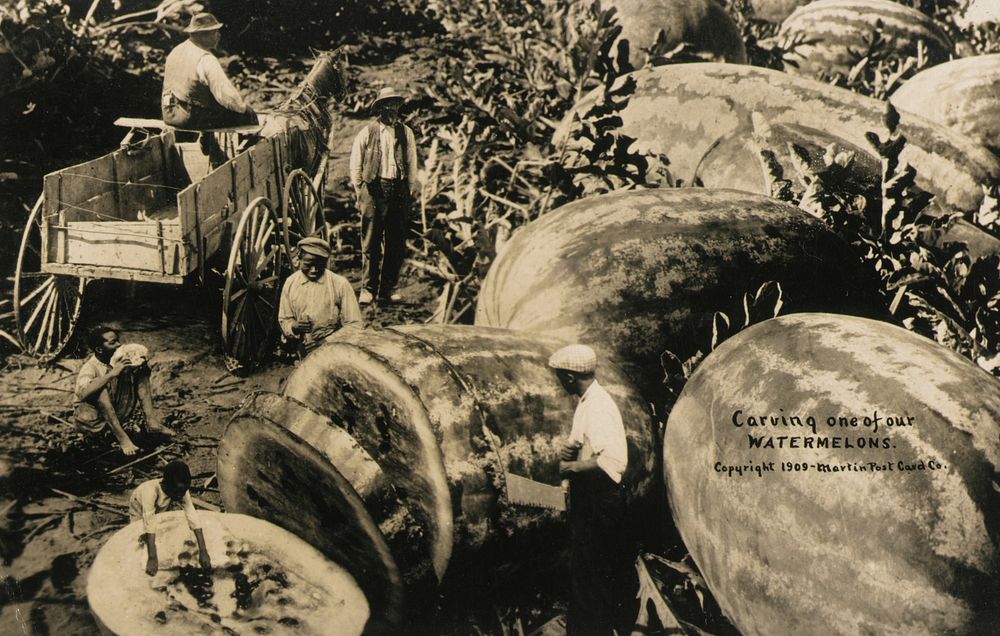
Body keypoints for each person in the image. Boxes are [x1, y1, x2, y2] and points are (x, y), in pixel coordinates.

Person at [549, 344, 632, 636]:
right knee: (587, 578)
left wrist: (570, 469)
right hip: (592, 501)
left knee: (590, 580)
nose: (558, 381)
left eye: (560, 376)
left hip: (601, 503)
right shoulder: (587, 403)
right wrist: (570, 448)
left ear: (570, 377)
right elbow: (586, 445)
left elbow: (612, 460)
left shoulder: (598, 406)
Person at [348, 86, 420, 305]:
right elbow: (355, 164)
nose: (391, 110)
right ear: (379, 109)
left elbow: (411, 163)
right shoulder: (367, 132)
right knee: (370, 241)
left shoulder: (406, 132)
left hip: (398, 190)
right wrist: (360, 189)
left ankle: (388, 289)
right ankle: (368, 289)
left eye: (394, 105)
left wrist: (408, 190)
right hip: (373, 190)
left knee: (396, 242)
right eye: (386, 105)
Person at [74, 326, 174, 457]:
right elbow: (83, 394)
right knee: (99, 390)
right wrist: (112, 374)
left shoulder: (117, 360)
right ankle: (122, 438)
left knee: (141, 371)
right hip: (93, 420)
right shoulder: (90, 367)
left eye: (117, 341)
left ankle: (152, 422)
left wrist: (139, 364)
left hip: (115, 412)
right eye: (112, 343)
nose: (119, 345)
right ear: (99, 349)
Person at [161, 13, 257, 131]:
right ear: (202, 35)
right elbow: (225, 95)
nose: (219, 35)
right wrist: (245, 109)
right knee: (247, 116)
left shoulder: (175, 51)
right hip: (191, 118)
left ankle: (209, 145)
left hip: (170, 114)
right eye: (215, 32)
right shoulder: (206, 59)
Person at [278, 237, 363, 355]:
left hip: (334, 350)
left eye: (319, 265)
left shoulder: (340, 284)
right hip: (302, 350)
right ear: (299, 259)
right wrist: (295, 327)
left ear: (326, 262)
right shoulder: (290, 283)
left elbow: (355, 325)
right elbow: (284, 319)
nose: (313, 270)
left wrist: (325, 342)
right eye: (308, 265)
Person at [130, 461, 211, 576]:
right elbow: (149, 522)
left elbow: (192, 515)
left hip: (159, 506)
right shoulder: (150, 491)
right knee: (140, 538)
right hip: (139, 509)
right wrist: (152, 557)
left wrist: (203, 551)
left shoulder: (180, 490)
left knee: (161, 532)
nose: (180, 496)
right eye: (177, 492)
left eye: (183, 492)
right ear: (166, 484)